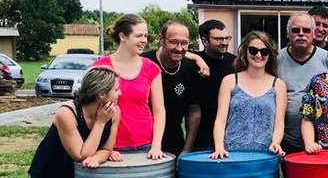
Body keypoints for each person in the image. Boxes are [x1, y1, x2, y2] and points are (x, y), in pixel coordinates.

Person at [92, 13, 165, 160]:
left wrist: (156, 145)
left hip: (145, 145)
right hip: (112, 147)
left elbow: (159, 111)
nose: (144, 40)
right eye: (139, 36)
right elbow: (91, 111)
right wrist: (104, 149)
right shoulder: (100, 67)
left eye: (145, 36)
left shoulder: (152, 68)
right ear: (123, 36)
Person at [211, 31, 286, 158]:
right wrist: (219, 147)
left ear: (270, 55)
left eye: (264, 51)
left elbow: (279, 122)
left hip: (265, 154)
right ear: (245, 52)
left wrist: (276, 142)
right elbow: (220, 120)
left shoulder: (278, 84)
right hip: (231, 153)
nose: (258, 55)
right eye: (253, 50)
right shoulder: (230, 81)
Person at [141, 20, 202, 155]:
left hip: (174, 144)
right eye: (173, 42)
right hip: (141, 143)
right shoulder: (143, 62)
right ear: (161, 39)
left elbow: (194, 111)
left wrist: (187, 149)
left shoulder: (191, 68)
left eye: (184, 43)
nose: (179, 48)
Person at [277, 12, 328, 153]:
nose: (301, 34)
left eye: (306, 30)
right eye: (295, 30)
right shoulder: (277, 59)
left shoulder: (327, 58)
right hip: (287, 140)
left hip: (321, 141)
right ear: (288, 33)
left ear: (313, 33)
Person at [192, 19, 236, 151]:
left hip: (229, 128)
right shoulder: (194, 60)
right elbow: (171, 52)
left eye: (227, 38)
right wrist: (197, 58)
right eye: (219, 39)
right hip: (201, 128)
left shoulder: (235, 62)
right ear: (205, 41)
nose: (224, 43)